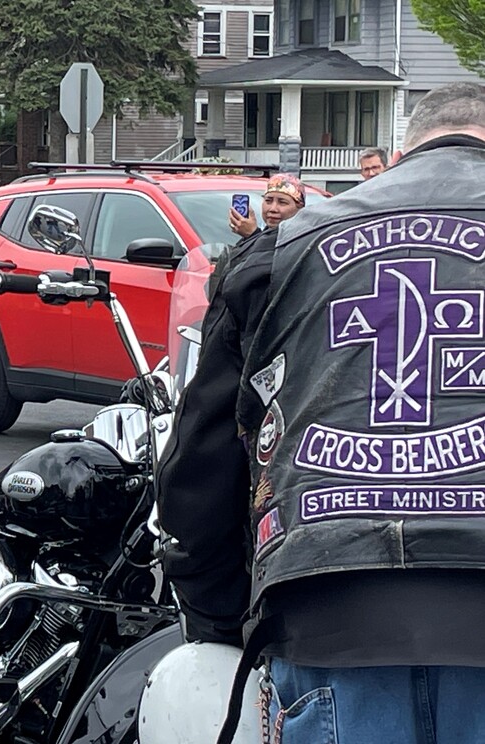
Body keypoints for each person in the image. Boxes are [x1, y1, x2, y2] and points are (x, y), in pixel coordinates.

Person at [156, 81, 485, 744]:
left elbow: (203, 457)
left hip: (329, 615)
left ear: (399, 152)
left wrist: (222, 621)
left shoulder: (280, 250)